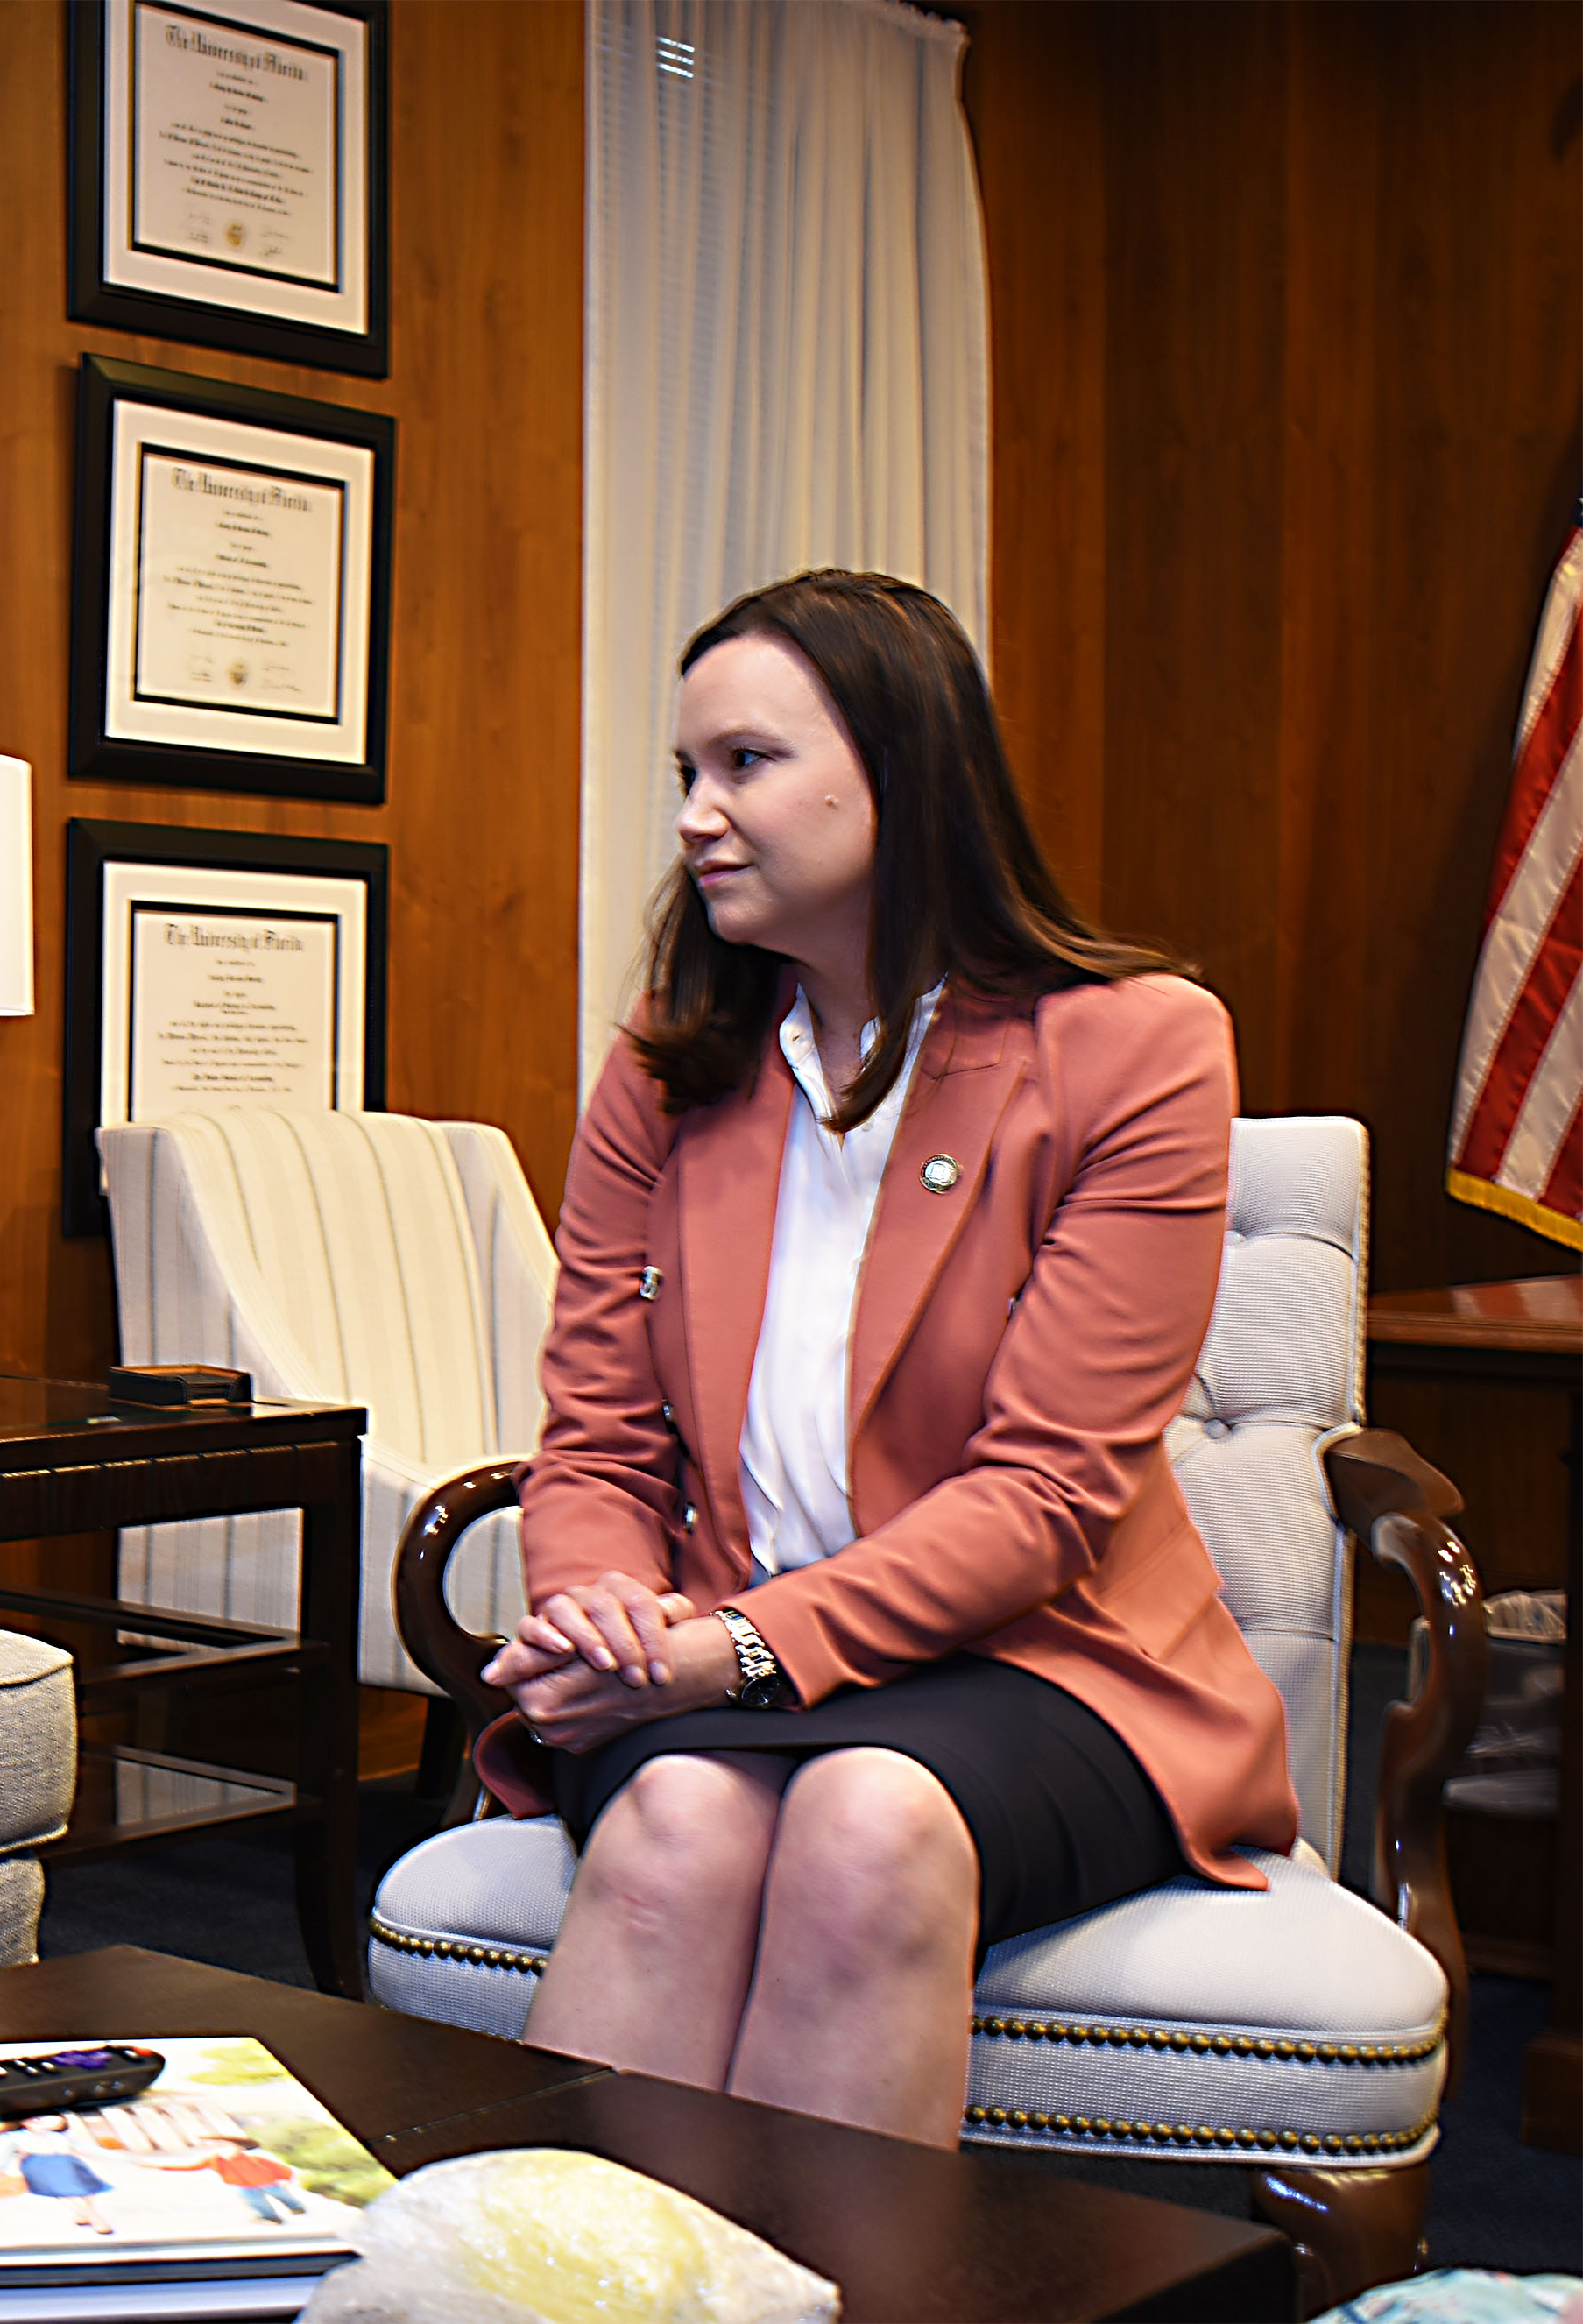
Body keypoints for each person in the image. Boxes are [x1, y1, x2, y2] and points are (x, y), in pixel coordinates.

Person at [472, 569, 1298, 2149]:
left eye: (748, 764)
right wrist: (594, 1599)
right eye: (685, 775)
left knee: (865, 1816)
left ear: (903, 771)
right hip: (702, 1649)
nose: (700, 814)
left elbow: (1051, 1494)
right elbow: (595, 1440)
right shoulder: (666, 1068)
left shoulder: (1134, 1045)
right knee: (674, 1820)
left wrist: (729, 1654)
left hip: (1044, 1662)